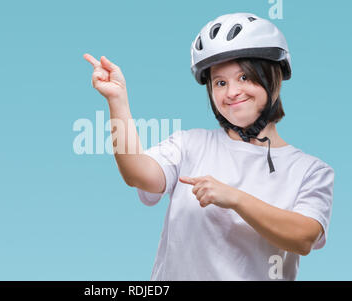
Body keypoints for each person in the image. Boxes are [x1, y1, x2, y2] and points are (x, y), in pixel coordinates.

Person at [83, 12, 335, 281]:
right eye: (220, 82)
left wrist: (235, 198)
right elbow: (137, 173)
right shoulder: (188, 144)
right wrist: (117, 100)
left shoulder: (311, 171)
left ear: (275, 77)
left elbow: (303, 238)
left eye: (245, 77)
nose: (231, 92)